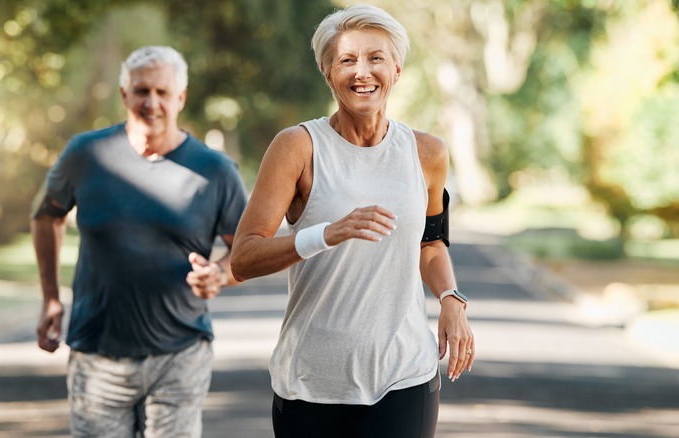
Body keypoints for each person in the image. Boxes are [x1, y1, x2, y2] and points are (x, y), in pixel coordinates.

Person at [230, 5, 475, 437]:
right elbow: (244, 258)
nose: (363, 72)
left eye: (375, 58)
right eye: (347, 60)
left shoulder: (427, 153)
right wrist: (325, 234)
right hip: (311, 380)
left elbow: (430, 243)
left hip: (404, 374)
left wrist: (451, 298)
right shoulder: (297, 147)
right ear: (328, 72)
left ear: (396, 69)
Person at [31, 45, 248, 437]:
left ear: (180, 97)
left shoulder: (216, 171)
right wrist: (50, 296)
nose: (152, 102)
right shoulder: (86, 154)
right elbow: (47, 216)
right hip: (97, 358)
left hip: (180, 354)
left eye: (163, 93)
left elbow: (247, 250)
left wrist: (219, 273)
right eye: (142, 91)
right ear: (124, 94)